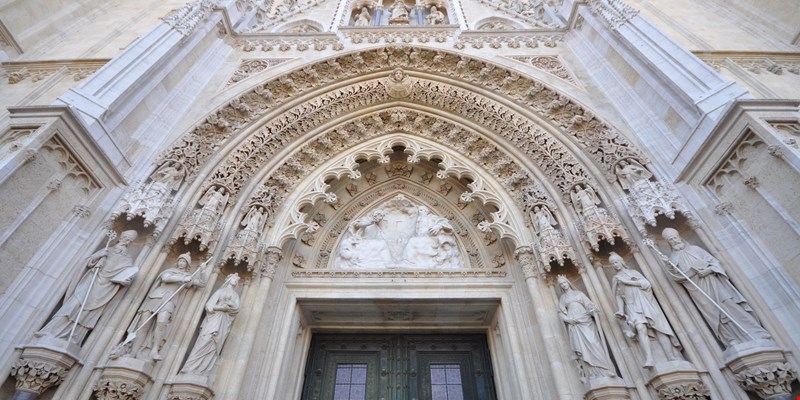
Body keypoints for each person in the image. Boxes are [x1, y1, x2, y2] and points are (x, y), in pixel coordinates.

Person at [661, 228, 771, 347]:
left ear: (679, 237)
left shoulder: (696, 250)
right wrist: (669, 265)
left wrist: (709, 270)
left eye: (675, 238)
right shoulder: (672, 259)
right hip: (699, 291)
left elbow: (715, 263)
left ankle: (756, 332)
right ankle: (730, 340)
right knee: (714, 312)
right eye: (671, 240)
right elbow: (678, 277)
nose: (674, 241)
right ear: (668, 243)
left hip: (714, 283)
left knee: (730, 304)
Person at [35, 230, 139, 345]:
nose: (127, 241)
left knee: (86, 314)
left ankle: (73, 339)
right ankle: (50, 331)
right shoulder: (107, 250)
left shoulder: (127, 260)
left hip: (105, 289)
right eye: (125, 237)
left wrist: (126, 281)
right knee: (73, 305)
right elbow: (88, 263)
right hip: (91, 281)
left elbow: (126, 274)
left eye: (130, 239)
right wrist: (98, 256)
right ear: (120, 237)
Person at [126, 253, 206, 361]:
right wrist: (182, 279)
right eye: (180, 261)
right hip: (155, 297)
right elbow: (165, 278)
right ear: (177, 262)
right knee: (144, 324)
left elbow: (201, 283)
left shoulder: (189, 277)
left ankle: (154, 350)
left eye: (184, 262)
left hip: (170, 301)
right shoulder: (170, 271)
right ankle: (133, 351)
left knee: (161, 323)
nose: (181, 263)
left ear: (187, 265)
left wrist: (203, 271)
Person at [610, 252, 681, 367]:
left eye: (616, 262)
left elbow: (646, 284)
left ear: (621, 261)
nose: (615, 265)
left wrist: (628, 282)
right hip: (631, 306)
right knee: (640, 328)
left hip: (645, 302)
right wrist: (621, 310)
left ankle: (670, 355)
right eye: (612, 263)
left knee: (659, 328)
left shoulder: (633, 272)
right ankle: (649, 358)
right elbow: (618, 295)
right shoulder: (616, 278)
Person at [557, 275, 616, 382]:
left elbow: (588, 304)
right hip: (575, 324)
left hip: (585, 321)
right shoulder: (563, 298)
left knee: (594, 343)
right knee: (582, 348)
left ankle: (606, 369)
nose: (563, 285)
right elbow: (561, 313)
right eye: (561, 284)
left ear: (568, 282)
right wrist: (568, 320)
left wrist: (592, 310)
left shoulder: (579, 294)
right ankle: (593, 374)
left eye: (564, 283)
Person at [181, 274, 241, 375]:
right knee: (206, 339)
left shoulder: (235, 296)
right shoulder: (220, 291)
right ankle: (189, 366)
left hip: (223, 322)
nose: (235, 281)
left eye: (237, 280)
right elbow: (209, 306)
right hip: (214, 319)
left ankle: (203, 371)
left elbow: (236, 309)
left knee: (214, 344)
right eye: (233, 278)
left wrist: (230, 306)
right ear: (228, 279)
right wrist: (221, 308)